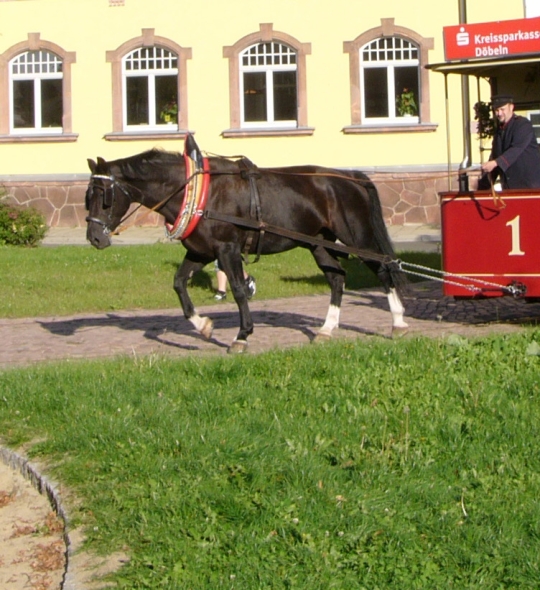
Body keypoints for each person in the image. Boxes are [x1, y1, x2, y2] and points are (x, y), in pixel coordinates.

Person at [479, 94, 540, 190]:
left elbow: (516, 149)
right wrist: (484, 186)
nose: (499, 113)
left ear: (511, 107)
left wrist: (495, 163)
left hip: (529, 187)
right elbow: (495, 156)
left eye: (502, 109)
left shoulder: (523, 125)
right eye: (496, 110)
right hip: (509, 187)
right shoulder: (499, 131)